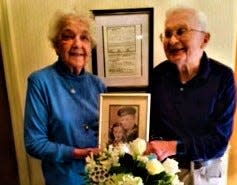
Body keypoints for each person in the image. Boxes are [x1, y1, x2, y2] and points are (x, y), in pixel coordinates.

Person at [147, 6, 236, 185]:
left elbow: (219, 141)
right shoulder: (157, 76)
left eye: (181, 31)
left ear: (204, 39)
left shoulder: (223, 77)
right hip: (163, 174)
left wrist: (174, 146)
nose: (172, 40)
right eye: (167, 33)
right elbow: (149, 127)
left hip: (205, 174)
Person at [24, 10, 107, 185]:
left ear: (90, 46)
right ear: (56, 45)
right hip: (64, 179)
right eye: (68, 36)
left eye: (84, 38)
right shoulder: (40, 82)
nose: (77, 44)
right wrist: (76, 153)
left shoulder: (98, 85)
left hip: (102, 177)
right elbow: (34, 143)